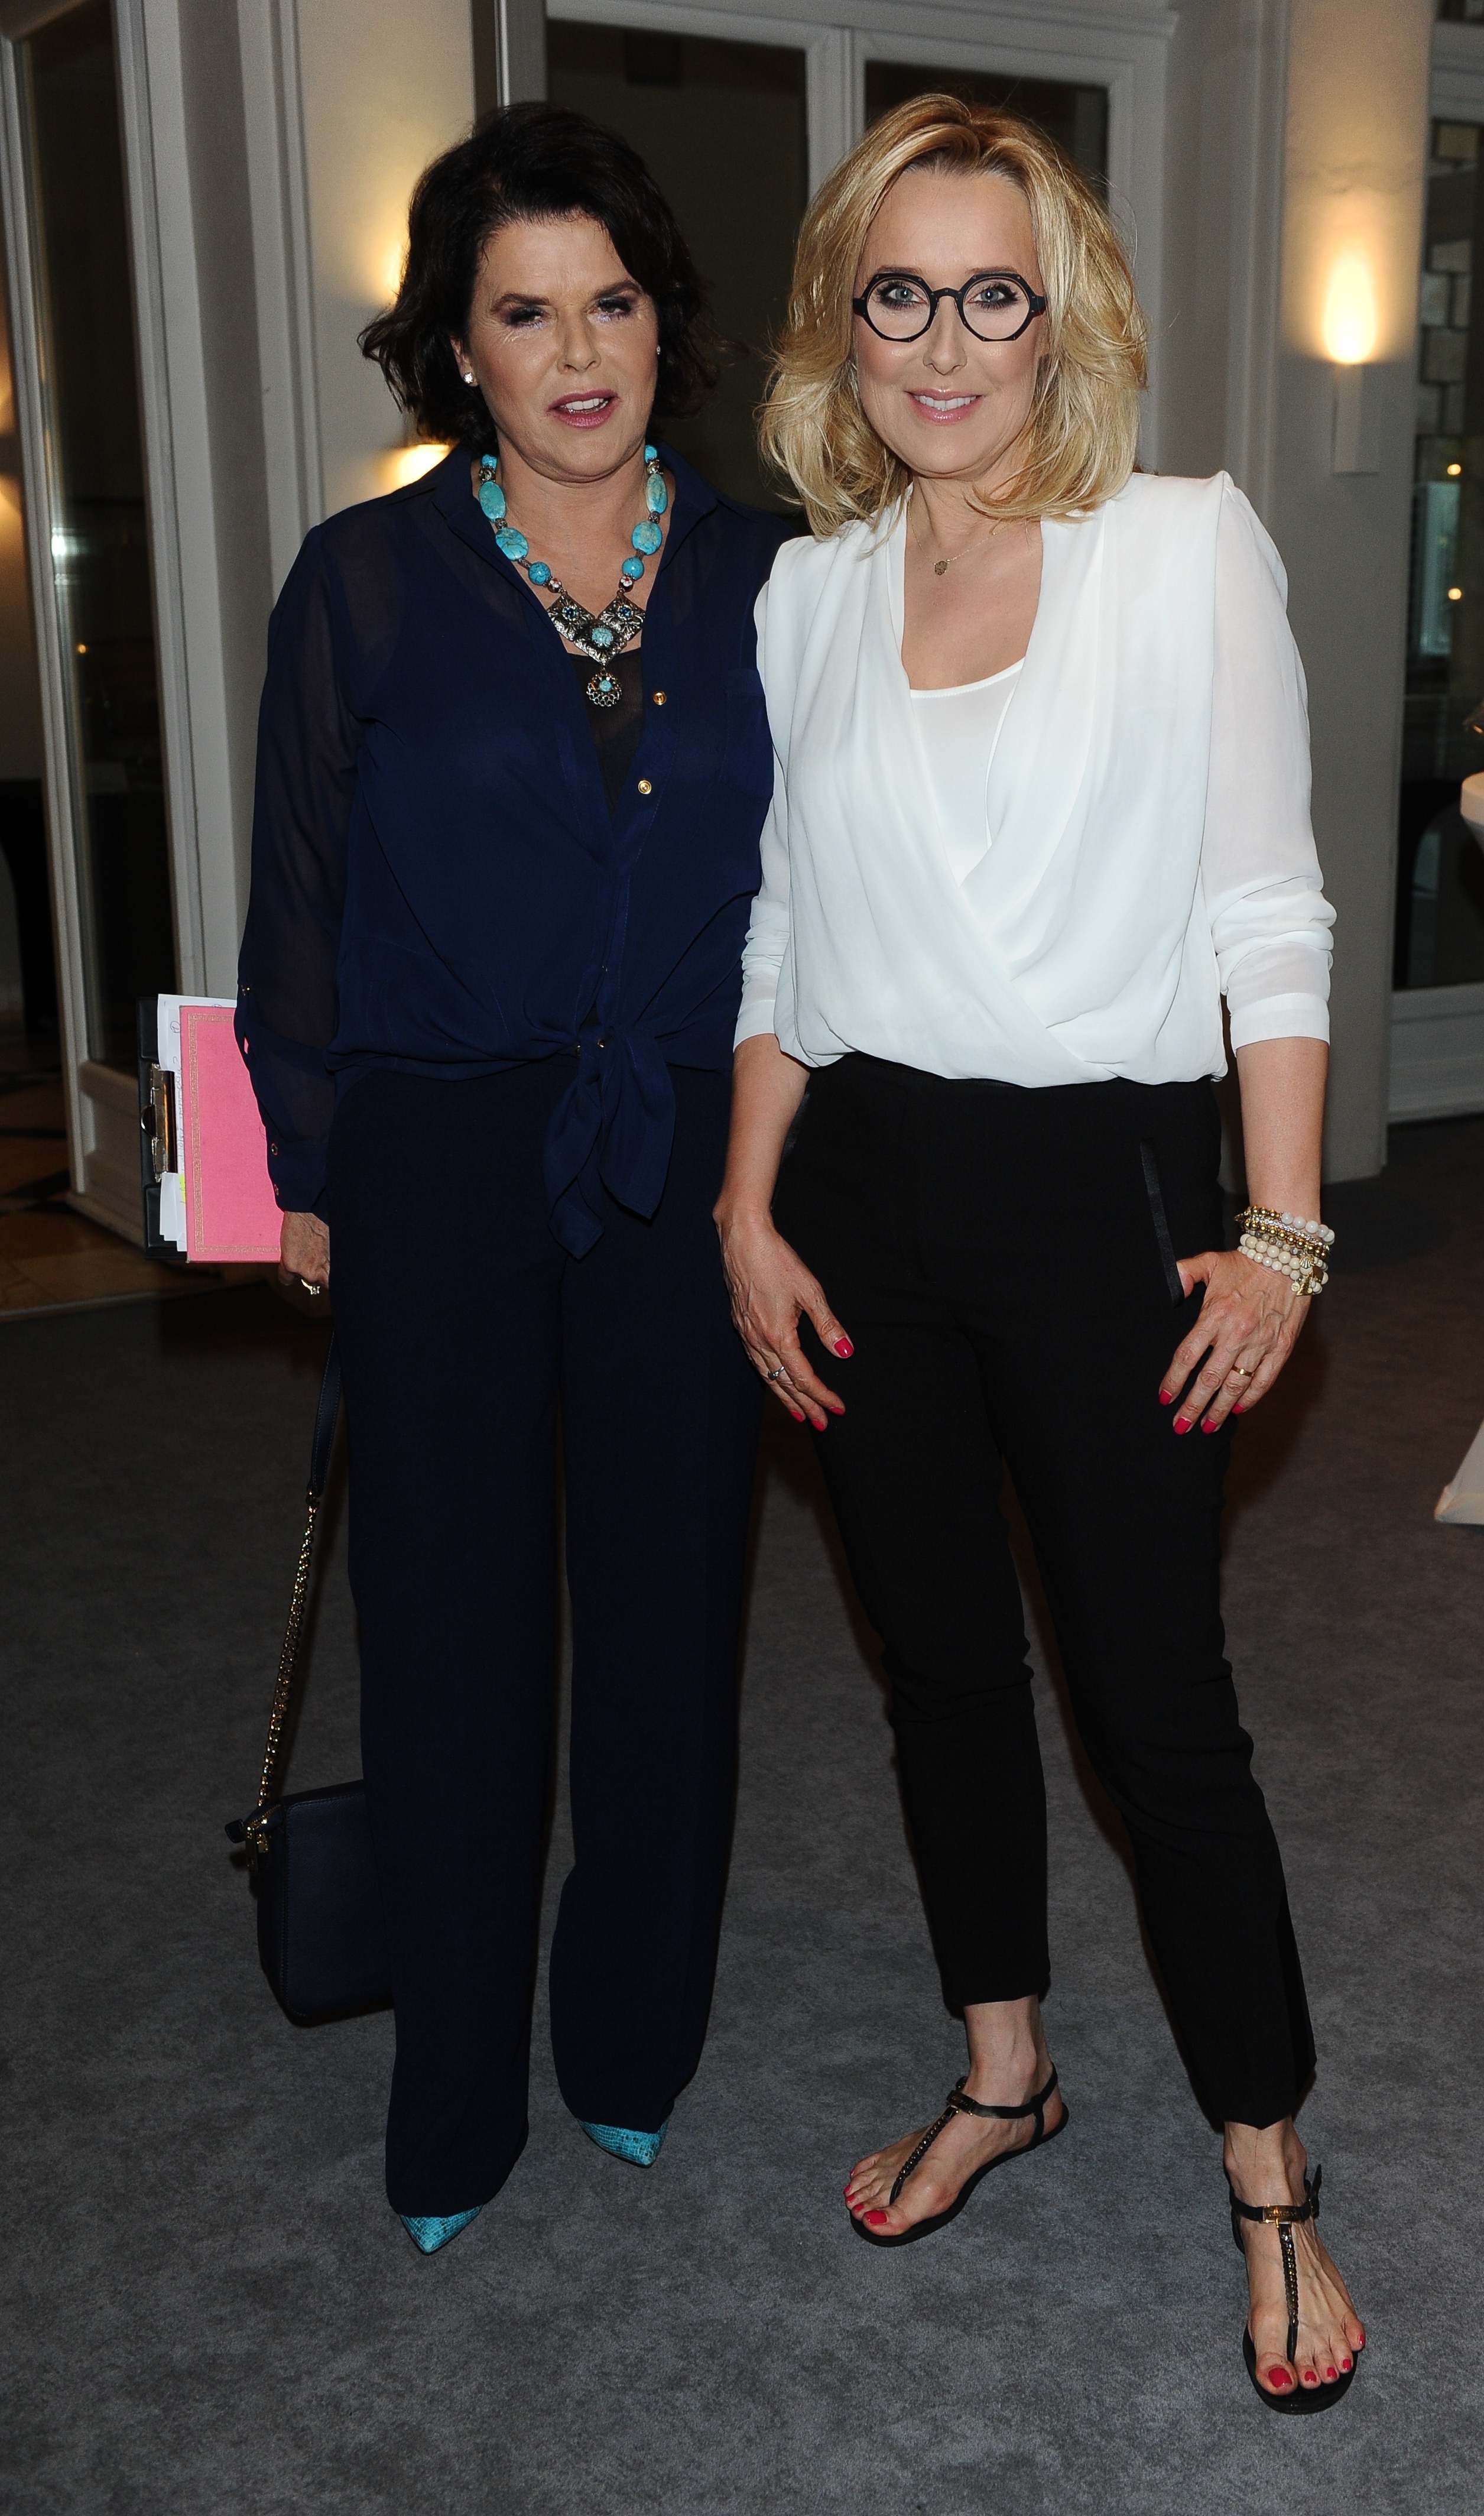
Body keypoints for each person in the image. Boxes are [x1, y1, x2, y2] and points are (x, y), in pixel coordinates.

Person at [714, 95, 1365, 2408]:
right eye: (901, 292)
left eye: (995, 293)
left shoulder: (1179, 549)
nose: (945, 341)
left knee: (1158, 1710)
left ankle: (1271, 2164)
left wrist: (1282, 1229)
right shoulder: (804, 594)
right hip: (862, 1193)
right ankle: (1006, 2066)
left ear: (1061, 319)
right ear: (845, 321)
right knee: (941, 1672)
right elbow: (785, 928)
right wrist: (745, 1202)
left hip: (1111, 1200)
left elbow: (1266, 906)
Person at [236, 103, 790, 2254]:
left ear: (667, 323)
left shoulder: (769, 576)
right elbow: (296, 892)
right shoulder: (365, 578)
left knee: (671, 1616)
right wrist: (302, 1165)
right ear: (458, 348)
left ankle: (631, 2042)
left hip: (690, 1153)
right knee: (452, 1632)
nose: (578, 354)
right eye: (526, 313)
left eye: (613, 304)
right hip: (441, 1158)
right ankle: (454, 2092)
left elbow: (829, 891)